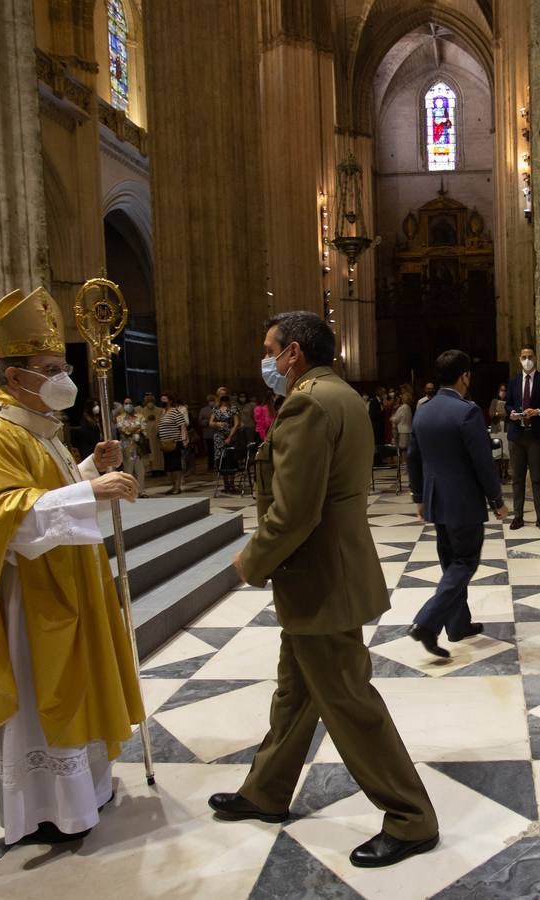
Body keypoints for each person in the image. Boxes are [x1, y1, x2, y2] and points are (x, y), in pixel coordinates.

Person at [209, 310, 439, 868]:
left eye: (270, 349)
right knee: (295, 692)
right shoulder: (342, 395)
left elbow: (294, 512)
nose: (264, 359)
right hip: (329, 569)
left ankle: (410, 818)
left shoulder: (308, 402)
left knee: (348, 700)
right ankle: (266, 792)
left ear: (293, 353)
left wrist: (251, 561)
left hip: (318, 576)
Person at [0, 286, 143, 845]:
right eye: (51, 368)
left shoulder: (32, 422)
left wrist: (85, 472)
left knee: (74, 686)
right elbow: (1, 516)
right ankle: (49, 809)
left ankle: (89, 792)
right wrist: (90, 494)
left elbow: (43, 491)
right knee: (43, 695)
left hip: (65, 580)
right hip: (27, 598)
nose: (63, 377)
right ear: (13, 376)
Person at [406, 350, 508, 658]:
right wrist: (497, 500)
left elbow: (413, 457)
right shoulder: (468, 411)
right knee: (465, 563)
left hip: (437, 501)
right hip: (463, 502)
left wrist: (419, 497)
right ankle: (426, 622)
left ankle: (458, 624)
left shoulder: (423, 409)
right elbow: (482, 462)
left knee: (451, 564)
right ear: (464, 376)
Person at [505, 346, 540, 530]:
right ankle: (518, 516)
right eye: (523, 357)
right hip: (516, 434)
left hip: (537, 436)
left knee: (537, 477)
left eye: (530, 356)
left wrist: (538, 411)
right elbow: (508, 404)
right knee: (517, 478)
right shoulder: (513, 380)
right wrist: (510, 412)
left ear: (535, 358)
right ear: (519, 359)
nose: (527, 360)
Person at [115, 398, 149, 498]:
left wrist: (132, 430)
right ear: (123, 405)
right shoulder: (119, 418)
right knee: (128, 470)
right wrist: (136, 428)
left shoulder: (140, 416)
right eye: (126, 403)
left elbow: (144, 429)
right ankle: (130, 491)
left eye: (130, 403)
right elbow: (123, 430)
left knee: (140, 470)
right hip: (126, 448)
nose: (128, 405)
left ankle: (141, 491)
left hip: (138, 447)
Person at [158, 393, 188, 494]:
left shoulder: (175, 411)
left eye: (164, 399)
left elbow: (182, 426)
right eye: (161, 399)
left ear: (170, 401)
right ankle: (173, 485)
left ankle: (177, 486)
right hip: (165, 443)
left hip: (175, 442)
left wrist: (184, 439)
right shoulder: (162, 412)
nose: (162, 401)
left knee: (175, 465)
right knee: (169, 466)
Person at [209, 393, 240, 494]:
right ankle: (225, 484)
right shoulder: (216, 409)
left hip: (230, 435)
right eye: (222, 398)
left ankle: (232, 484)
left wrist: (230, 436)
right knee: (221, 459)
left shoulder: (233, 408)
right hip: (219, 437)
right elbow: (210, 422)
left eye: (226, 398)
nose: (224, 400)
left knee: (231, 459)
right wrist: (216, 423)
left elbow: (236, 423)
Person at [141, 392, 164, 475]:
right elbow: (141, 421)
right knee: (150, 453)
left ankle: (160, 468)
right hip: (148, 435)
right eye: (148, 402)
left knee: (158, 453)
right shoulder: (142, 411)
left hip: (157, 435)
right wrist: (147, 419)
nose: (150, 404)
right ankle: (152, 469)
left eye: (152, 402)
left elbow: (161, 420)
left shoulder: (160, 410)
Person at [392, 386, 414, 454]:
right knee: (407, 448)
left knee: (403, 448)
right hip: (408, 429)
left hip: (402, 430)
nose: (401, 397)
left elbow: (396, 419)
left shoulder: (403, 407)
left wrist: (392, 418)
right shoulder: (408, 407)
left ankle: (404, 462)